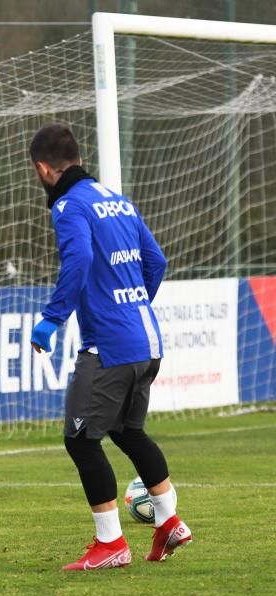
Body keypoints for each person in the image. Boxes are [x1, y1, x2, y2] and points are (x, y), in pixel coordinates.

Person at [27, 122, 192, 571]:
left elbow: (78, 258)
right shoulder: (118, 200)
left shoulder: (68, 204)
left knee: (80, 440)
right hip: (147, 340)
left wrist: (53, 318)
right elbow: (156, 262)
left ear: (43, 168)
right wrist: (132, 302)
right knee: (127, 432)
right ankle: (169, 520)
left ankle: (111, 544)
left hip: (111, 347)